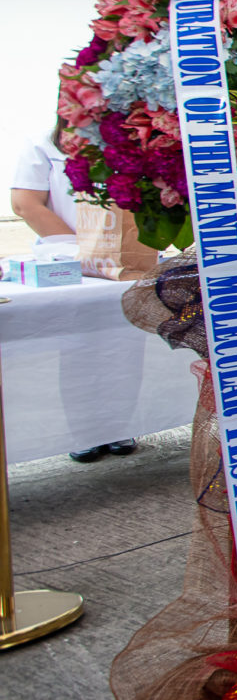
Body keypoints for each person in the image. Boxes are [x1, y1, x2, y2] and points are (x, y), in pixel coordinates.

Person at [13, 128, 137, 462]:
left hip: (120, 265)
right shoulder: (41, 144)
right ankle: (84, 433)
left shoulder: (126, 140)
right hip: (68, 265)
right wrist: (84, 251)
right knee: (79, 349)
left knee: (123, 346)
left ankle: (119, 427)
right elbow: (25, 204)